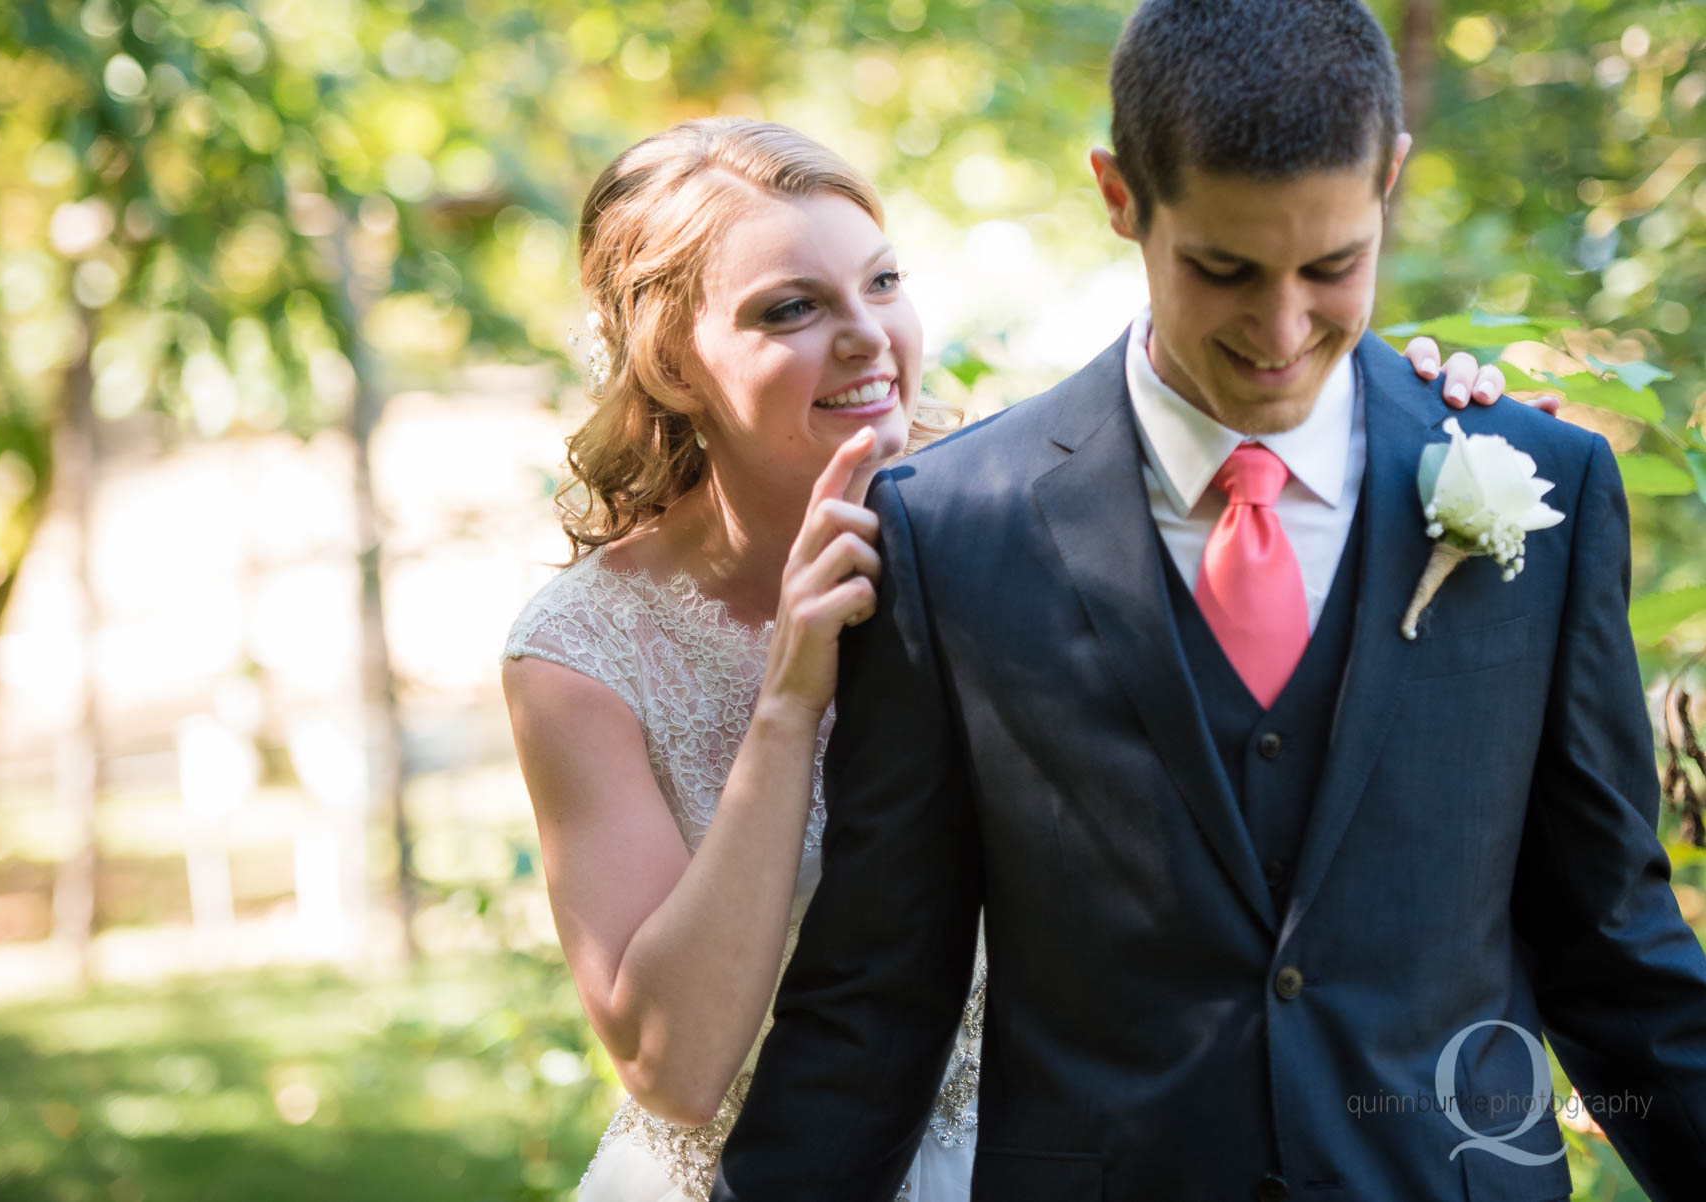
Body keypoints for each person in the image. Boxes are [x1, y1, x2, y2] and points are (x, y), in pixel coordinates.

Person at [709, 4, 1706, 1201]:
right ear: (1121, 196)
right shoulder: (950, 529)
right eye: (1224, 269)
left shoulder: (1544, 492)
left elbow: (1613, 950)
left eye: (1332, 266)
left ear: (1388, 179)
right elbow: (878, 993)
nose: (1282, 332)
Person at [501, 118, 1515, 1202]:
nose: (866, 336)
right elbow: (675, 1067)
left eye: (882, 282)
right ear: (671, 360)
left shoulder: (1018, 518)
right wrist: (789, 704)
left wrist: (1408, 411)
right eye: (791, 307)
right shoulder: (582, 652)